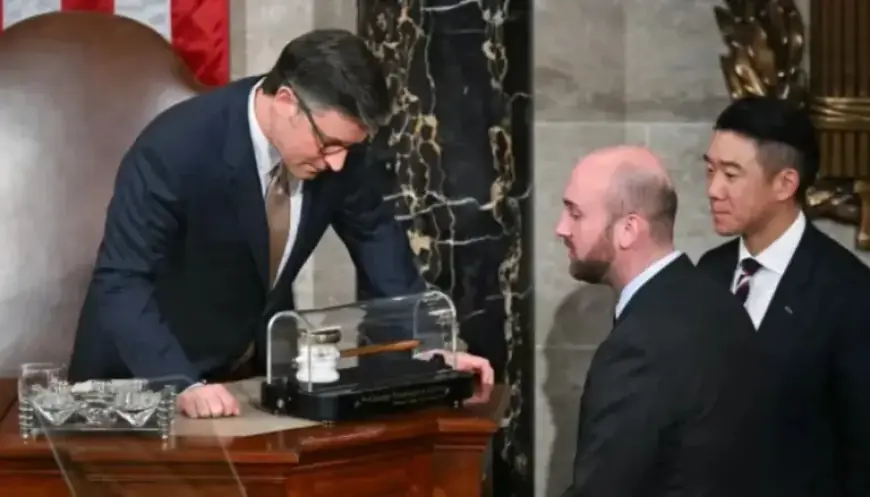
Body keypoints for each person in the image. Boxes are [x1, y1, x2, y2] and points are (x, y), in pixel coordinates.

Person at [67, 29, 493, 419]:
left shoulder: (341, 155)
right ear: (287, 101)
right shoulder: (174, 149)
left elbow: (382, 251)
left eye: (349, 146)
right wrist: (181, 383)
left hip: (243, 379)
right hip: (139, 380)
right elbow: (121, 281)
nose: (338, 162)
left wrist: (431, 352)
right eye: (329, 144)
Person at [556, 145, 765, 497]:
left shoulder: (640, 345)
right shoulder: (717, 302)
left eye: (575, 214)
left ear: (628, 229)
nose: (561, 228)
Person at [698, 95, 870, 497]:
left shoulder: (850, 294)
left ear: (785, 183)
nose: (713, 189)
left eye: (731, 174)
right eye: (709, 170)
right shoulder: (708, 272)